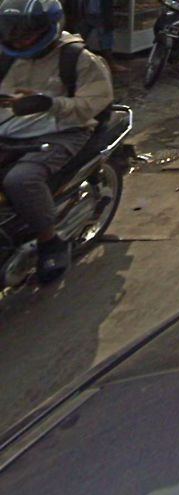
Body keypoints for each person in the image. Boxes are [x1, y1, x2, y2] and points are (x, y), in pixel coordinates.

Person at [0, 0, 114, 283]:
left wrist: (50, 104)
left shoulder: (79, 58)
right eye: (11, 31)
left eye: (26, 33)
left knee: (21, 180)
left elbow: (94, 103)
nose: (18, 39)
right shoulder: (6, 56)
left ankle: (49, 241)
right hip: (9, 129)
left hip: (63, 130)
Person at [74, 0, 128, 73]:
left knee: (105, 38)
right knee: (80, 37)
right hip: (88, 12)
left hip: (96, 13)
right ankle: (110, 64)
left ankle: (110, 64)